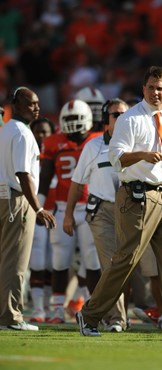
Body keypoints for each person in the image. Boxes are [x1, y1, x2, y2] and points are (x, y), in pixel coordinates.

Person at [76, 66, 162, 339]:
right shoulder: (129, 119)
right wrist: (142, 155)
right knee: (126, 260)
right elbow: (116, 157)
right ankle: (89, 314)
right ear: (143, 89)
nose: (155, 92)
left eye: (160, 87)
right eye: (150, 87)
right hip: (137, 196)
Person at [64, 98, 129, 332]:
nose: (121, 119)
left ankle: (143, 313)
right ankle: (116, 318)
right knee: (111, 264)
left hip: (131, 210)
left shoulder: (136, 142)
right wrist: (68, 214)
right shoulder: (93, 146)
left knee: (130, 265)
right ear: (105, 119)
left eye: (124, 114)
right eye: (116, 115)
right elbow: (77, 182)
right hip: (101, 210)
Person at [38, 99, 101, 324]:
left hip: (90, 208)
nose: (73, 124)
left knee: (92, 260)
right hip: (63, 208)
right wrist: (40, 205)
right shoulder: (55, 142)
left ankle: (92, 308)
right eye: (69, 119)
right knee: (60, 261)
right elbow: (45, 176)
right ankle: (56, 308)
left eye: (77, 119)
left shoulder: (97, 140)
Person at [0, 87, 56, 331]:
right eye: (31, 103)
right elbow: (23, 174)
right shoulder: (22, 133)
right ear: (17, 104)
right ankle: (11, 317)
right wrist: (39, 208)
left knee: (6, 260)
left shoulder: (6, 130)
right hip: (17, 200)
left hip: (4, 197)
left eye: (37, 103)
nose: (37, 108)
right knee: (16, 262)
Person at [29, 117, 57, 323]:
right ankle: (39, 309)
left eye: (45, 132)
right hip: (34, 211)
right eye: (38, 131)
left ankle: (50, 307)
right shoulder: (27, 152)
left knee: (53, 263)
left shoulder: (57, 152)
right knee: (38, 261)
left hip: (56, 211)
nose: (42, 136)